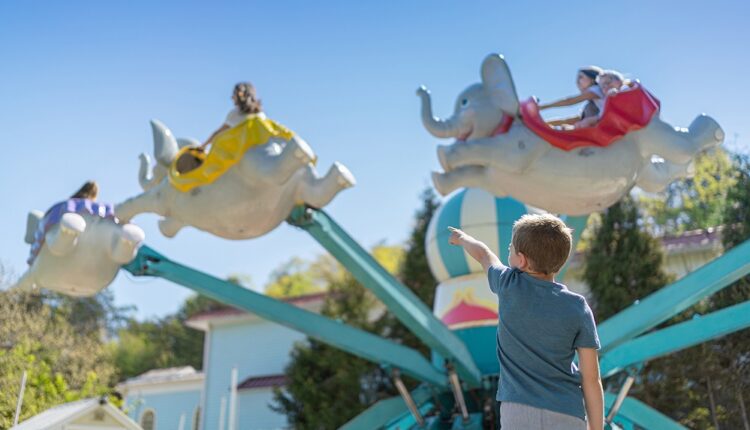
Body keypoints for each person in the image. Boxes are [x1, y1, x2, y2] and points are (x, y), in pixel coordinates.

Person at [448, 214, 603, 430]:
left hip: (518, 412)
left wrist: (462, 238)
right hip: (567, 412)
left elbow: (484, 255)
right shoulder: (578, 307)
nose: (508, 251)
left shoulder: (508, 284)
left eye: (511, 248)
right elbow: (591, 378)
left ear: (521, 260)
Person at [201, 82, 264, 150]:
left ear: (240, 95)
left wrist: (204, 145)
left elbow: (218, 133)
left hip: (242, 153)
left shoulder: (236, 113)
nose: (232, 97)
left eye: (234, 94)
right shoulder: (261, 115)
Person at [539, 66, 604, 129]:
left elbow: (570, 101)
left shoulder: (596, 90)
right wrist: (544, 123)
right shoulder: (592, 104)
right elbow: (574, 119)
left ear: (593, 79)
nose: (577, 81)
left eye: (581, 77)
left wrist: (543, 107)